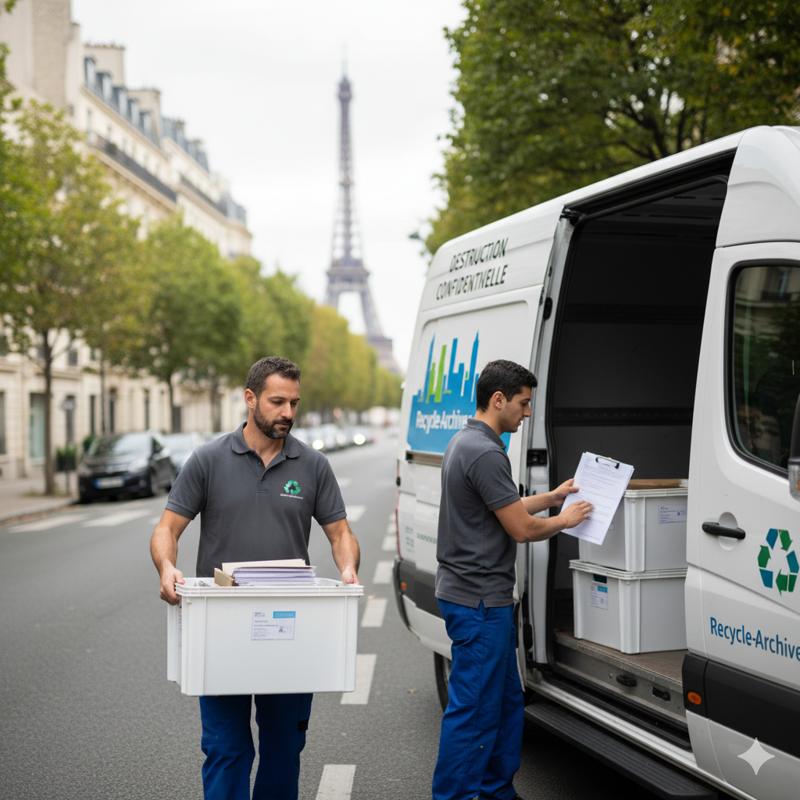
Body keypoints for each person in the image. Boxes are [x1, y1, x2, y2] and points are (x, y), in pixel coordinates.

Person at [150, 356, 360, 800]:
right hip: (221, 629)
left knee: (285, 748)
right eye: (277, 401)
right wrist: (167, 566)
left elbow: (340, 533)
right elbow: (167, 529)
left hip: (290, 628)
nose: (288, 412)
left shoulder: (314, 465)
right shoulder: (208, 460)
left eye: (294, 403)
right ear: (250, 399)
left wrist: (347, 569)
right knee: (227, 749)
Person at [431, 359, 592, 800]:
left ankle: (495, 791)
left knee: (503, 705)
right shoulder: (485, 452)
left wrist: (554, 495)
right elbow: (521, 529)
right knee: (475, 711)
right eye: (522, 404)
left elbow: (506, 506)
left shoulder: (466, 441)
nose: (526, 414)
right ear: (498, 399)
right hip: (479, 602)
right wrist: (565, 518)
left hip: (478, 598)